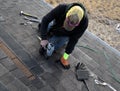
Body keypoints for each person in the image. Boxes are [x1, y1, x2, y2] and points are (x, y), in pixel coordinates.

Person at [38, 2, 89, 69]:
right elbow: (45, 20)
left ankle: (58, 39)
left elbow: (74, 40)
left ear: (78, 23)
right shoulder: (61, 8)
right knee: (43, 26)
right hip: (55, 25)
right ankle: (47, 31)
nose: (67, 27)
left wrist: (64, 57)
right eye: (67, 24)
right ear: (67, 15)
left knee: (53, 47)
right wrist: (43, 38)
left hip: (65, 34)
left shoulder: (84, 23)